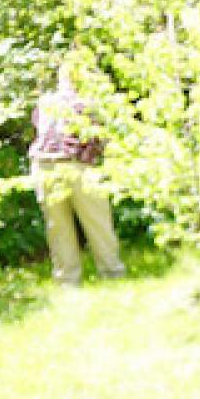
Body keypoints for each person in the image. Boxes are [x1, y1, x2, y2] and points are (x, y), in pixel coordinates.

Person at [29, 66, 125, 285]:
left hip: (44, 165)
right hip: (76, 164)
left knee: (59, 228)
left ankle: (68, 281)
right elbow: (102, 137)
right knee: (97, 223)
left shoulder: (46, 101)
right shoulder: (88, 103)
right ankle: (111, 274)